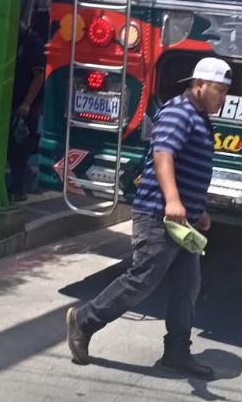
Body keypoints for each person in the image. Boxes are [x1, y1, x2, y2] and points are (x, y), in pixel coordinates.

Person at [65, 56, 231, 379]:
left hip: (183, 222)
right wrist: (172, 200)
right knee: (141, 280)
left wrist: (198, 210)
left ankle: (177, 353)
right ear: (199, 85)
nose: (223, 99)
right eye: (219, 91)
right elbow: (163, 154)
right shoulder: (178, 112)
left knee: (187, 287)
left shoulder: (197, 116)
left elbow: (186, 166)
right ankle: (83, 320)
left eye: (225, 92)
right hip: (158, 216)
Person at [8, 22, 46, 201]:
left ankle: (19, 189)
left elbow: (39, 76)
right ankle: (23, 179)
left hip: (28, 105)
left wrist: (26, 104)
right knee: (13, 145)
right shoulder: (14, 41)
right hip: (14, 103)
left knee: (19, 147)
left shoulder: (32, 43)